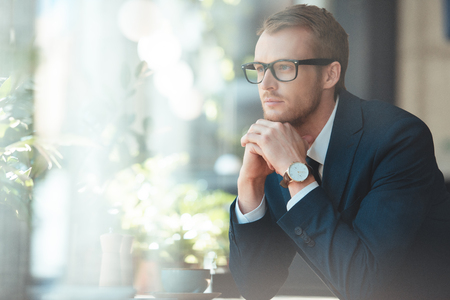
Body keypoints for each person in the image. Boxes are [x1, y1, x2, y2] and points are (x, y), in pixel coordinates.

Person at [228, 4, 450, 300]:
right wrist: (249, 187)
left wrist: (296, 173)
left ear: (330, 75)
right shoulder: (276, 144)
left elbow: (364, 283)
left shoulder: (398, 139)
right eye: (259, 68)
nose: (266, 84)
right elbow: (256, 288)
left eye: (283, 67)